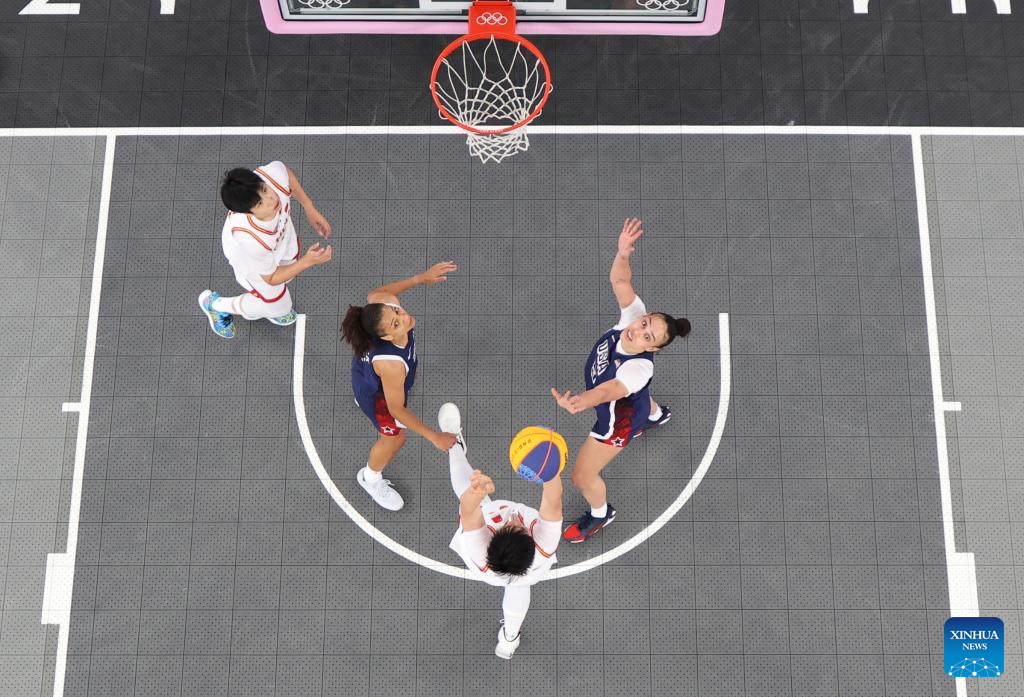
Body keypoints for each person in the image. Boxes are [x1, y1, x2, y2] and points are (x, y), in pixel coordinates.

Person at [551, 218, 690, 543]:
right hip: (633, 400)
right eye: (645, 323)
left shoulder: (637, 370)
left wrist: (579, 402)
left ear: (653, 348)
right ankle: (656, 415)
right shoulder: (632, 317)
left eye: (648, 336)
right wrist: (623, 253)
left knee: (582, 476)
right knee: (641, 399)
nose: (639, 330)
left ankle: (601, 514)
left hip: (617, 423)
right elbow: (620, 279)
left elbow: (607, 391)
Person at [438, 402, 562, 659]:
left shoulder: (479, 550)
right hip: (528, 570)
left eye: (509, 525)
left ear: (492, 536)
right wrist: (548, 462)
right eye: (516, 526)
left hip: (489, 567)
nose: (512, 518)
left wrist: (476, 491)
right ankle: (509, 638)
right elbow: (553, 498)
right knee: (520, 587)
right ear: (532, 539)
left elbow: (468, 510)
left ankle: (454, 446)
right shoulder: (544, 544)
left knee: (470, 493)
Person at [341, 263, 460, 510]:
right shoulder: (392, 365)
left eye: (397, 312)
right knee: (395, 438)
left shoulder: (384, 308)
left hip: (366, 373)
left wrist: (419, 279)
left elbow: (375, 294)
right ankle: (370, 478)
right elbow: (396, 409)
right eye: (396, 323)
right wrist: (435, 437)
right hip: (378, 398)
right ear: (385, 337)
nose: (404, 317)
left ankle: (363, 396)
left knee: (390, 388)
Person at [198, 162, 332, 338]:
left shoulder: (272, 176)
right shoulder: (251, 241)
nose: (271, 200)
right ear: (248, 212)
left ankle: (266, 306)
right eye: (260, 203)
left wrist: (308, 206)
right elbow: (271, 278)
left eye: (264, 189)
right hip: (252, 264)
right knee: (281, 307)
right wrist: (307, 262)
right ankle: (216, 305)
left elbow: (286, 174)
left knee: (289, 274)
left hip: (281, 240)